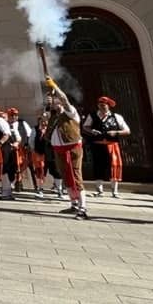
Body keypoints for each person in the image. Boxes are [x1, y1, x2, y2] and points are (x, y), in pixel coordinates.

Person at [45, 79, 89, 219]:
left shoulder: (71, 112)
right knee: (66, 176)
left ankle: (83, 208)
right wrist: (50, 97)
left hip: (72, 148)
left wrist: (55, 87)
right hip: (59, 149)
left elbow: (64, 99)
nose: (54, 103)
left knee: (76, 176)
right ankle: (74, 204)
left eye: (55, 101)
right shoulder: (53, 116)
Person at [83, 96, 130, 198]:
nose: (101, 108)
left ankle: (115, 191)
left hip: (112, 145)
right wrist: (92, 131)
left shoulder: (117, 117)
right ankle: (99, 191)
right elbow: (85, 127)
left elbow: (127, 130)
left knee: (114, 166)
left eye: (103, 106)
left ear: (108, 106)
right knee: (98, 167)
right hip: (97, 145)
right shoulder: (92, 115)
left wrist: (116, 132)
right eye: (100, 106)